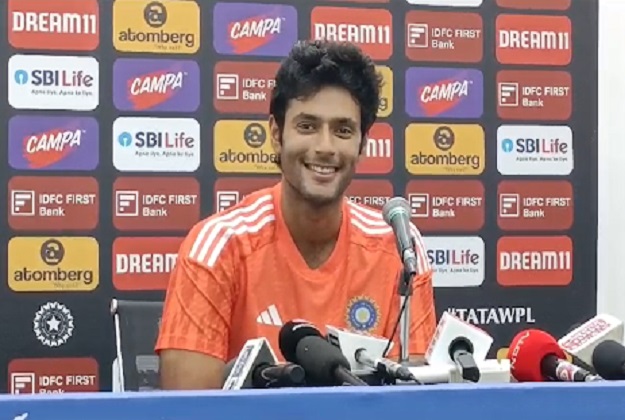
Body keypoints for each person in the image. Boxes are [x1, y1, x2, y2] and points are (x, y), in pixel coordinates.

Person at [155, 40, 436, 390]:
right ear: (276, 135)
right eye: (307, 126)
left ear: (363, 144)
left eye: (343, 130)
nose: (325, 147)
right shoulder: (217, 248)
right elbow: (188, 409)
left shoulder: (398, 248)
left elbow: (418, 401)